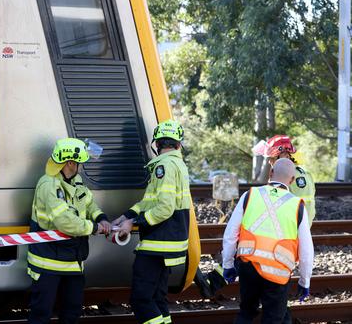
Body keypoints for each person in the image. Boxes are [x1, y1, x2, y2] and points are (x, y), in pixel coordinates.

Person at [196, 134, 317, 299]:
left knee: (246, 252)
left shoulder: (292, 176)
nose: (269, 162)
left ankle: (213, 282)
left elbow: (294, 209)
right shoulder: (300, 174)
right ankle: (215, 281)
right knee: (257, 262)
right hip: (288, 232)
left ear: (282, 154)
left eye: (271, 157)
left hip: (286, 235)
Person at [112, 119, 192, 324]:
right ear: (178, 144)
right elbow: (150, 201)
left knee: (141, 299)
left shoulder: (163, 166)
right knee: (157, 298)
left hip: (158, 244)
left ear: (156, 144)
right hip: (169, 242)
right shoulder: (178, 164)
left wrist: (134, 223)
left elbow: (164, 208)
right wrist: (127, 216)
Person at [27, 138, 112, 324]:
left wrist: (100, 217)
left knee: (72, 313)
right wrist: (94, 228)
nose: (82, 166)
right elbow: (64, 221)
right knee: (41, 315)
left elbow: (88, 203)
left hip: (73, 260)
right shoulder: (48, 185)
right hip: (47, 263)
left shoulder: (76, 181)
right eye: (81, 162)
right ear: (71, 163)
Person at [221, 158, 314, 324]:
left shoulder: (250, 195)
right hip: (277, 272)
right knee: (273, 318)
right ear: (292, 180)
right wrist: (304, 281)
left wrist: (227, 264)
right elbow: (306, 250)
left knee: (246, 313)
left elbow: (230, 234)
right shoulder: (297, 205)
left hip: (248, 265)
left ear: (271, 173)